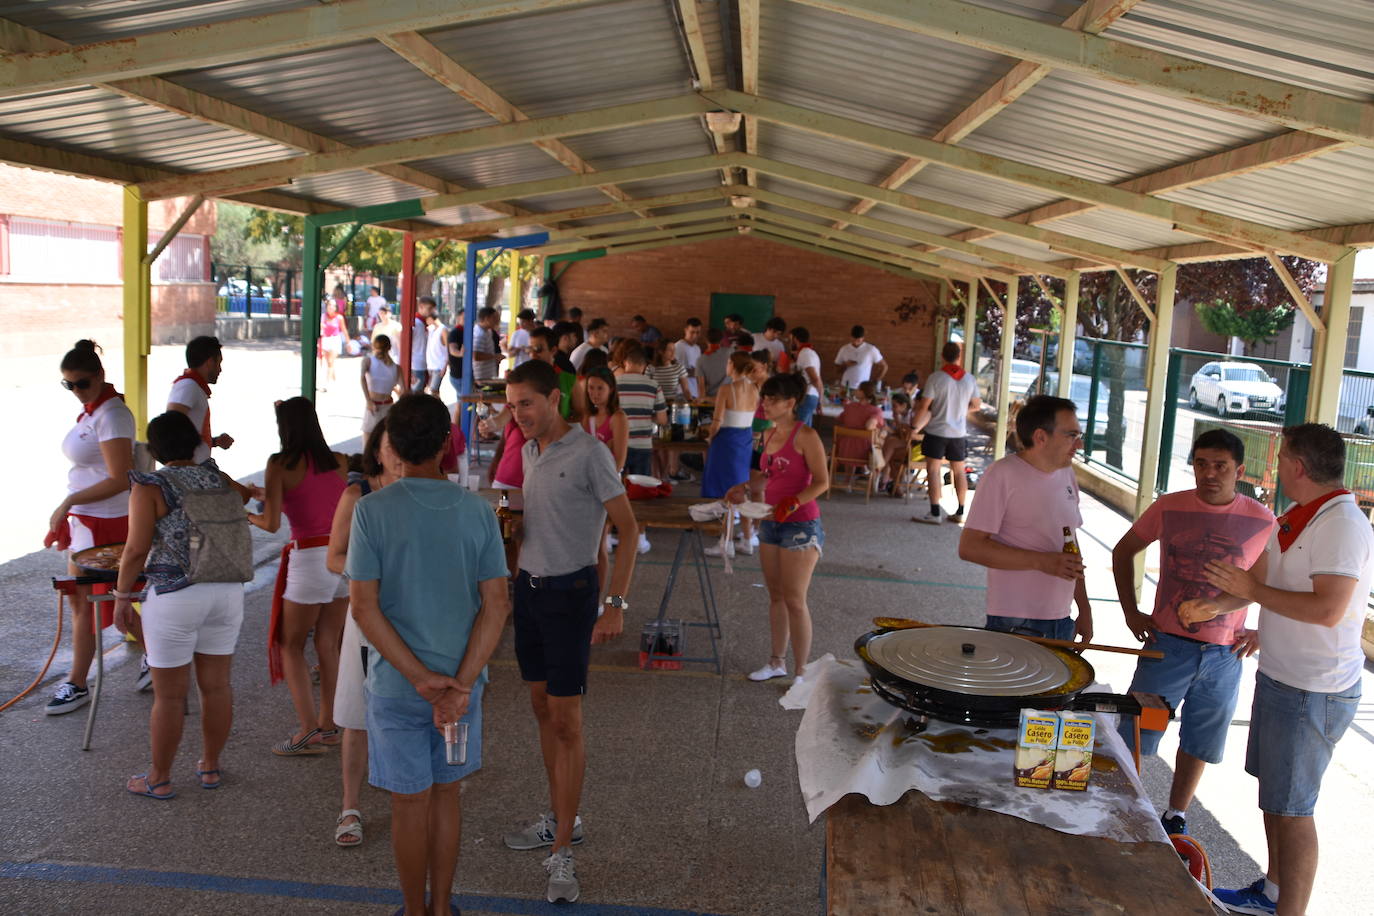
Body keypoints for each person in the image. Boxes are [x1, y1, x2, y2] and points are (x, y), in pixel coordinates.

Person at [347, 394, 510, 916]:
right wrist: (460, 683)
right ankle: (442, 908)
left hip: (397, 688)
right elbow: (496, 605)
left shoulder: (371, 512)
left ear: (391, 444)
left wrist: (419, 678)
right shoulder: (478, 511)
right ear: (447, 444)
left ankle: (414, 912)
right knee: (446, 796)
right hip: (462, 694)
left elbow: (365, 610)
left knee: (408, 803)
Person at [1203, 424, 1371, 916]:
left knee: (1294, 810)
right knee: (1275, 799)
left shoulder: (1340, 524)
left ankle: (1289, 910)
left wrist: (1250, 595)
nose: (1275, 470)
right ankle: (1272, 894)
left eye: (1281, 461)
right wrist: (1213, 606)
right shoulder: (1299, 516)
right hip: (1283, 677)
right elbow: (1260, 583)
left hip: (1312, 689)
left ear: (1298, 467)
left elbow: (1327, 610)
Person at [499, 359, 639, 905]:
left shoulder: (590, 452)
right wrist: (506, 522)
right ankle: (563, 816)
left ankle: (562, 848)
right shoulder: (530, 451)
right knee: (541, 708)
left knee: (567, 720)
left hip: (571, 595)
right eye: (513, 406)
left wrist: (616, 605)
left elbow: (628, 531)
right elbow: (527, 516)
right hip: (529, 593)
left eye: (526, 403)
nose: (519, 415)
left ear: (554, 398)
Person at [1110, 429, 1273, 838]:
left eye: (1220, 466)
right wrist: (1131, 611)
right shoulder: (1169, 507)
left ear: (1240, 470)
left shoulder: (1262, 521)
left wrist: (1263, 629)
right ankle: (1122, 805)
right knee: (1137, 734)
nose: (1209, 474)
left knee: (1199, 740)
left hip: (1224, 657)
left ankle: (1176, 813)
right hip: (1165, 649)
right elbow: (1123, 551)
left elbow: (1269, 583)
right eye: (1201, 464)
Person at [114, 410, 250, 798]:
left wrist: (123, 597)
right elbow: (242, 497)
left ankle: (159, 777)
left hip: (175, 594)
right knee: (217, 687)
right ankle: (209, 767)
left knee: (170, 695)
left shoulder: (151, 486)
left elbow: (136, 548)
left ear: (153, 449)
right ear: (193, 444)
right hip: (226, 590)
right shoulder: (217, 477)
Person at [249, 398, 350, 755]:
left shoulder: (279, 464)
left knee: (290, 645)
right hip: (342, 560)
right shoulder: (338, 460)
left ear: (285, 428)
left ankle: (307, 731)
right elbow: (314, 497)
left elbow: (272, 522)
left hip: (308, 559)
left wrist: (245, 512)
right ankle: (330, 725)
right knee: (328, 643)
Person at [45, 340, 140, 714]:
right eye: (68, 385)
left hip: (106, 521)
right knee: (90, 601)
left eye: (82, 383)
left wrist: (68, 502)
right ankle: (81, 680)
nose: (76, 392)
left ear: (100, 376)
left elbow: (120, 478)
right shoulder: (92, 411)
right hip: (88, 520)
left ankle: (79, 682)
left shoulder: (112, 415)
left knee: (109, 600)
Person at [958, 395, 1091, 642]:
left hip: (1061, 617)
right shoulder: (1002, 475)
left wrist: (1084, 607)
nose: (1079, 445)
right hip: (1015, 621)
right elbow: (969, 547)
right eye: (1071, 436)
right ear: (1041, 437)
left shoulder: (1066, 474)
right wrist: (1042, 562)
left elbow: (1070, 542)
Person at [326, 420, 402, 847]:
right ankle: (350, 806)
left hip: (412, 621)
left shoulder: (421, 494)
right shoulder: (358, 495)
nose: (400, 456)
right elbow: (334, 556)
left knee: (403, 711)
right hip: (366, 618)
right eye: (393, 447)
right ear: (378, 451)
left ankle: (406, 796)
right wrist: (370, 576)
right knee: (357, 716)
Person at [727, 372, 829, 683]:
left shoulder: (806, 436)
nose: (765, 404)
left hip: (801, 526)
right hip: (770, 522)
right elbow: (766, 476)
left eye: (772, 399)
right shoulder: (768, 434)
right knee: (775, 595)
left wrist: (794, 502)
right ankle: (776, 661)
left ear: (791, 403)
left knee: (795, 598)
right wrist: (742, 486)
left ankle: (801, 672)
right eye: (765, 398)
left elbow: (823, 482)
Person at [911, 341, 981, 524]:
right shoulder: (969, 379)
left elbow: (925, 405)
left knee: (933, 470)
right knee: (959, 472)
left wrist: (914, 426)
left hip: (937, 430)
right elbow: (976, 405)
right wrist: (959, 409)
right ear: (959, 357)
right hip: (958, 433)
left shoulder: (936, 378)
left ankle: (935, 512)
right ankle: (960, 511)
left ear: (942, 356)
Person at [702, 353, 761, 558]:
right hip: (744, 439)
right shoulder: (754, 388)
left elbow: (717, 421)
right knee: (740, 493)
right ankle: (747, 539)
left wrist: (709, 436)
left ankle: (725, 542)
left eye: (728, 362)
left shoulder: (726, 389)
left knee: (727, 494)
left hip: (726, 441)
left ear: (733, 365)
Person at [168, 335, 233, 465]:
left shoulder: (193, 386)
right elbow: (170, 428)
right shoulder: (188, 386)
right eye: (218, 363)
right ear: (209, 362)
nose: (220, 370)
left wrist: (213, 441)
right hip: (189, 470)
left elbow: (188, 430)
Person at [612, 341, 667, 481]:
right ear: (644, 366)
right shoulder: (653, 385)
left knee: (617, 486)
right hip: (643, 445)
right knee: (641, 488)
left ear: (625, 363)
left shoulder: (614, 384)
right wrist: (646, 416)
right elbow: (662, 420)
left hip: (617, 443)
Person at [361, 334, 403, 435]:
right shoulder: (396, 367)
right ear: (389, 347)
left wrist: (369, 401)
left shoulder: (368, 361)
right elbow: (404, 391)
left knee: (368, 441)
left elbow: (362, 379)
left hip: (374, 405)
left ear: (374, 346)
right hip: (388, 405)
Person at [834, 381, 885, 464]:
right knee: (881, 437)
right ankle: (867, 471)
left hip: (844, 449)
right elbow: (870, 426)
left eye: (858, 389)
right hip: (865, 452)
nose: (855, 390)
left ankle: (849, 476)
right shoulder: (876, 410)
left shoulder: (850, 407)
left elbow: (840, 419)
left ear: (862, 392)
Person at [877, 391, 915, 495]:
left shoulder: (912, 415)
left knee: (891, 442)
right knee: (890, 443)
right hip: (903, 443)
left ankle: (880, 467)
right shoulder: (901, 415)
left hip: (912, 444)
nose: (893, 408)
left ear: (904, 405)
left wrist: (897, 423)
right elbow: (898, 433)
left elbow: (907, 435)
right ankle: (894, 484)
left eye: (895, 406)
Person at [834, 325, 887, 389]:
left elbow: (884, 366)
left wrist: (875, 381)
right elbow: (837, 370)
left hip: (862, 388)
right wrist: (845, 365)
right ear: (851, 337)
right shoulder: (844, 349)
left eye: (858, 341)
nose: (856, 343)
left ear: (863, 338)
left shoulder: (871, 349)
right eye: (854, 340)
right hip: (845, 386)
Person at [789, 326, 822, 427]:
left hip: (807, 396)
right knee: (805, 430)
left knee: (797, 430)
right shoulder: (808, 353)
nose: (789, 343)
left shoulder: (805, 354)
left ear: (795, 339)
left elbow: (815, 379)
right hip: (809, 396)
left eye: (790, 339)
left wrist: (819, 400)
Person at [319, 300, 347, 389]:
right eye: (330, 305)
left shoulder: (339, 317)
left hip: (335, 340)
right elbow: (320, 327)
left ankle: (326, 383)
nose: (331, 307)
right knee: (329, 362)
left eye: (333, 305)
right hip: (325, 340)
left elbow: (344, 329)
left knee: (330, 362)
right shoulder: (323, 316)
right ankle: (334, 379)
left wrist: (348, 342)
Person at [696, 327, 732, 398]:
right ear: (722, 340)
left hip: (710, 399)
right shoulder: (730, 353)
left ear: (705, 340)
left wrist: (701, 401)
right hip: (729, 397)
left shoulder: (700, 360)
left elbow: (701, 387)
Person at [471, 305, 503, 382]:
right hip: (480, 376)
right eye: (495, 318)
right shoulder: (479, 334)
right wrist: (495, 356)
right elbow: (476, 356)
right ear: (487, 318)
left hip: (488, 374)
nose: (498, 321)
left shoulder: (488, 331)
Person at [676, 318, 703, 397]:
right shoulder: (678, 347)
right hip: (681, 392)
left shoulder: (697, 348)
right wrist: (696, 372)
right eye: (692, 332)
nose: (695, 335)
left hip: (695, 392)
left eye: (698, 332)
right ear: (685, 330)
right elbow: (673, 370)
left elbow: (698, 371)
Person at [424, 308, 448, 397]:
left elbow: (448, 348)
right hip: (430, 364)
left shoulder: (443, 330)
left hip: (439, 365)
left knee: (433, 390)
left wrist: (445, 366)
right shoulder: (431, 329)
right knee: (434, 391)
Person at [409, 300, 432, 394]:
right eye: (429, 308)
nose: (431, 312)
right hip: (416, 364)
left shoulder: (424, 324)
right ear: (421, 307)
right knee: (416, 395)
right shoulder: (416, 323)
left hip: (422, 364)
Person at [446, 313, 465, 401]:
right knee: (463, 404)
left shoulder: (466, 331)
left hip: (461, 374)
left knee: (461, 404)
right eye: (464, 317)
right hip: (458, 374)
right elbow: (452, 350)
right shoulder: (455, 332)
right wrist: (460, 353)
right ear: (458, 318)